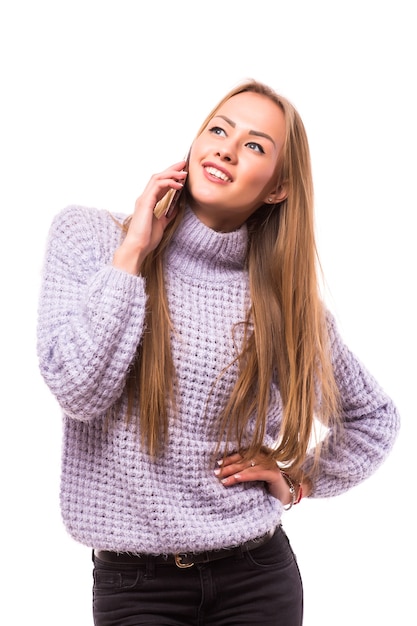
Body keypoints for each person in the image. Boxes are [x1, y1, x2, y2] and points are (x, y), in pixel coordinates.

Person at [37, 79, 400, 626]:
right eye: (219, 130)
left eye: (255, 145)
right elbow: (76, 388)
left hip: (257, 577)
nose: (227, 148)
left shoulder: (282, 302)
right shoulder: (90, 238)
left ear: (277, 188)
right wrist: (133, 250)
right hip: (136, 588)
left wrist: (296, 480)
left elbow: (373, 419)